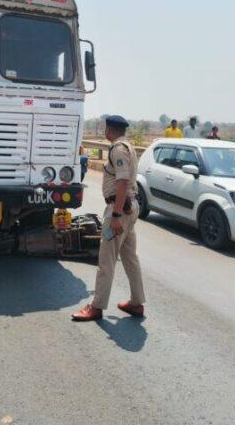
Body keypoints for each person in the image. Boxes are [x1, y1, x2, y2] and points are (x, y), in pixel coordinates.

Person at [72, 115, 145, 321]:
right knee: (130, 258)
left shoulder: (118, 149)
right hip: (130, 208)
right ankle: (137, 303)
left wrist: (115, 215)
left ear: (109, 130)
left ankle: (96, 307)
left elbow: (121, 183)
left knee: (106, 260)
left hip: (119, 209)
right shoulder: (128, 146)